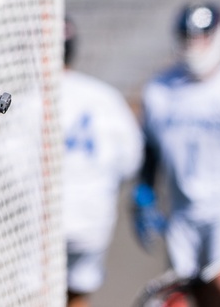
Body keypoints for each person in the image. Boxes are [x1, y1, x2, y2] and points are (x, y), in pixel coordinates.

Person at [133, 2, 220, 306]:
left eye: (201, 39)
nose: (194, 48)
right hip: (182, 208)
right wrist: (144, 191)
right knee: (180, 290)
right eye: (188, 39)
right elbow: (152, 148)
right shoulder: (161, 89)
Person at [60, 17, 142, 307]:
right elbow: (130, 160)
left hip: (42, 218)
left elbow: (8, 164)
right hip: (92, 215)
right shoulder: (105, 96)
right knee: (78, 293)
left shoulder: (30, 97)